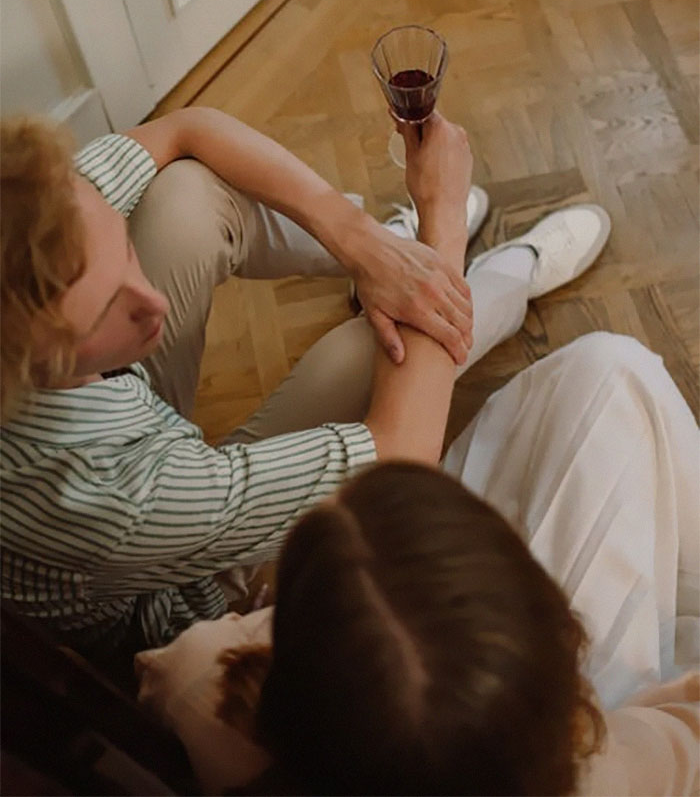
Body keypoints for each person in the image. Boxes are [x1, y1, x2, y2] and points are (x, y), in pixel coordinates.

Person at [0, 105, 610, 659]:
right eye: (109, 307)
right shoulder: (97, 496)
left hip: (119, 417)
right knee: (375, 349)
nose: (152, 300)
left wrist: (360, 239)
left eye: (124, 252)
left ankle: (388, 255)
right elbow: (402, 449)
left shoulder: (32, 213)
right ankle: (511, 274)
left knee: (184, 196)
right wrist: (442, 220)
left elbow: (188, 129)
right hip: (181, 588)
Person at [136, 333, 699, 796]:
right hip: (621, 725)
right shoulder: (614, 777)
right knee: (612, 370)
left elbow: (186, 669)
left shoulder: (201, 683)